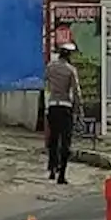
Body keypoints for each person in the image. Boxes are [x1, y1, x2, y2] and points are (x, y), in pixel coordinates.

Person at [44, 42, 82, 184]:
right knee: (65, 142)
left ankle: (52, 169)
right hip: (65, 107)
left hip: (53, 106)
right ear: (69, 56)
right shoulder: (71, 70)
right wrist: (79, 109)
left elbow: (46, 83)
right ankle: (62, 175)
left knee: (53, 139)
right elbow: (76, 92)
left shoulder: (50, 67)